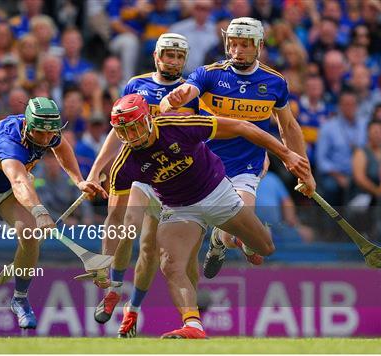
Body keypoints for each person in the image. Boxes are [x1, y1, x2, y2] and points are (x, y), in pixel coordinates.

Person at [102, 93, 310, 338]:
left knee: (265, 248)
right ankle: (193, 325)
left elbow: (242, 126)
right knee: (170, 264)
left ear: (149, 118)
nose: (132, 136)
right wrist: (103, 263)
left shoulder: (177, 125)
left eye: (135, 126)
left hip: (217, 193)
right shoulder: (124, 164)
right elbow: (115, 218)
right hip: (179, 208)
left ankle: (220, 239)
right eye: (124, 131)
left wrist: (285, 154)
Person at [0, 97, 105, 337]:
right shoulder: (8, 140)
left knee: (30, 234)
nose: (46, 139)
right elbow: (19, 181)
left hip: (8, 192)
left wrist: (79, 180)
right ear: (27, 125)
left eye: (50, 134)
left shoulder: (45, 129)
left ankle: (20, 299)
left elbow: (61, 147)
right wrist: (40, 212)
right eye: (41, 134)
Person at [159, 17, 315, 279]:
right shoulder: (209, 74)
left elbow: (288, 127)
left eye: (245, 45)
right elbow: (175, 100)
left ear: (259, 45)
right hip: (207, 165)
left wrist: (305, 172)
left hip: (247, 165)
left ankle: (220, 241)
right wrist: (172, 99)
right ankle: (224, 240)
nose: (237, 50)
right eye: (233, 44)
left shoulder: (274, 82)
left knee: (237, 232)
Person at [88, 33, 200, 337]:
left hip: (175, 177)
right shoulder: (136, 85)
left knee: (150, 251)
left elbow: (203, 134)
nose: (173, 62)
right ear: (156, 56)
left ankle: (132, 309)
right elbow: (117, 130)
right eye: (168, 55)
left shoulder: (191, 92)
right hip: (141, 172)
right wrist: (97, 169)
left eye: (179, 57)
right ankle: (112, 289)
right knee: (127, 226)